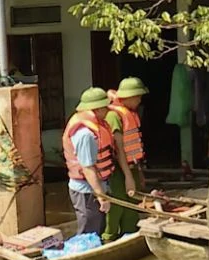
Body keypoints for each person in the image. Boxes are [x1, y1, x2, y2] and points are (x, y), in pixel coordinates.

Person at [63, 87, 115, 235]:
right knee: (89, 230)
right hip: (86, 191)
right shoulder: (85, 134)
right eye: (105, 107)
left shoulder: (94, 125)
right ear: (97, 109)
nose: (107, 110)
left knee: (98, 227)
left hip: (94, 187)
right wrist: (101, 196)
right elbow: (88, 167)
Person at [103, 78, 149, 242]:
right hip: (118, 169)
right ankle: (109, 237)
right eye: (137, 96)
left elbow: (134, 148)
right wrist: (128, 176)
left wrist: (138, 174)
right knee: (117, 205)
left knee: (133, 203)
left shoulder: (131, 114)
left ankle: (129, 235)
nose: (139, 100)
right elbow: (119, 149)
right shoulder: (114, 115)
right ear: (127, 97)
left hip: (132, 165)